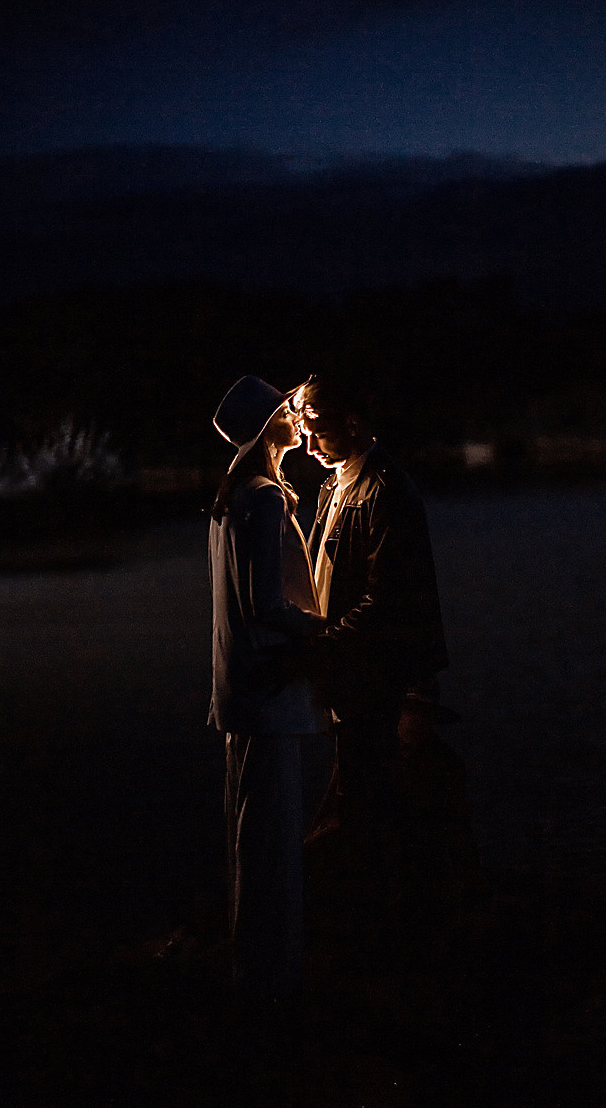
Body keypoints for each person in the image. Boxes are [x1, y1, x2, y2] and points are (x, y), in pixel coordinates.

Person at [293, 374, 448, 960]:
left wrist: (318, 649)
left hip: (378, 677)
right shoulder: (340, 487)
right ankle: (379, 922)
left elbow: (387, 600)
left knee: (369, 798)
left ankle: (378, 934)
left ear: (352, 421)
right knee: (365, 794)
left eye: (316, 426)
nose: (308, 442)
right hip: (354, 674)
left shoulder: (384, 490)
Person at [208, 375, 324, 1005]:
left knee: (250, 839)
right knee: (273, 842)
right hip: (270, 697)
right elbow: (264, 606)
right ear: (263, 429)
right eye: (284, 412)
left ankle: (251, 972)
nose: (296, 419)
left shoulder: (233, 499)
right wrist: (328, 628)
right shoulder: (265, 498)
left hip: (242, 695)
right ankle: (273, 984)